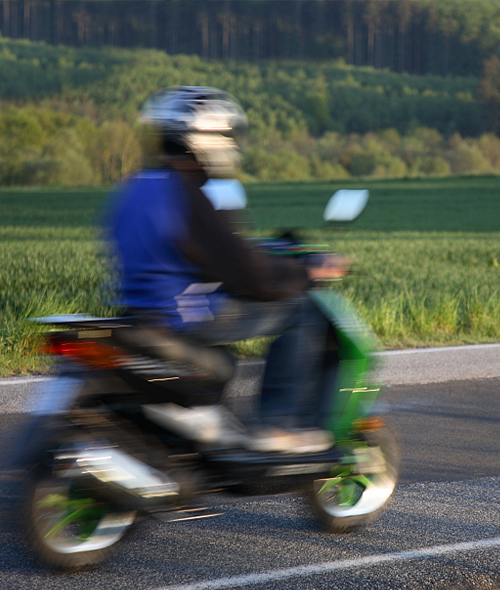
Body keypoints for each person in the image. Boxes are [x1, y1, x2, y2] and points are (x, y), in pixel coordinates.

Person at [104, 86, 347, 454]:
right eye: (226, 135)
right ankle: (280, 424)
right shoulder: (190, 192)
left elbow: (186, 254)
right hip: (183, 314)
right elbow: (253, 279)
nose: (230, 145)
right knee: (302, 311)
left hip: (140, 311)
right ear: (205, 138)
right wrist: (305, 274)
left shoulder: (134, 187)